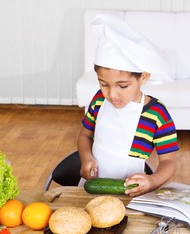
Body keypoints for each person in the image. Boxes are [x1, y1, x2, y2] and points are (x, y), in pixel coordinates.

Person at [77, 13, 179, 197]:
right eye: (103, 84)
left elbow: (169, 160)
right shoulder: (99, 100)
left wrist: (152, 180)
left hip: (133, 195)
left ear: (144, 77)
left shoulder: (156, 114)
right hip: (92, 189)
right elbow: (84, 135)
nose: (111, 94)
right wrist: (86, 157)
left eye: (122, 86)